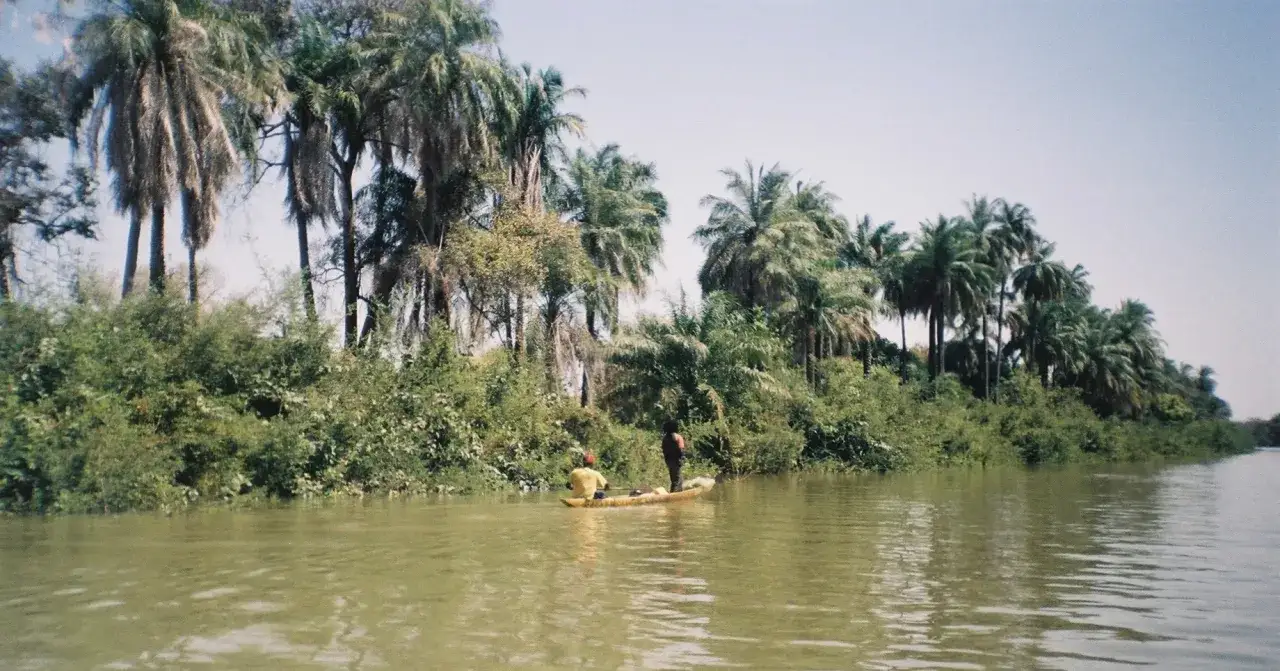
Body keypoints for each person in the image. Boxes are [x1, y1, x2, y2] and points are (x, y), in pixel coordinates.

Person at [661, 419, 686, 493]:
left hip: (668, 461)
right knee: (678, 480)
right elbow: (681, 450)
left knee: (674, 480)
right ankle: (675, 496)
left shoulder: (665, 438)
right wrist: (682, 458)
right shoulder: (678, 437)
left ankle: (674, 494)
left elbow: (664, 450)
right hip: (676, 460)